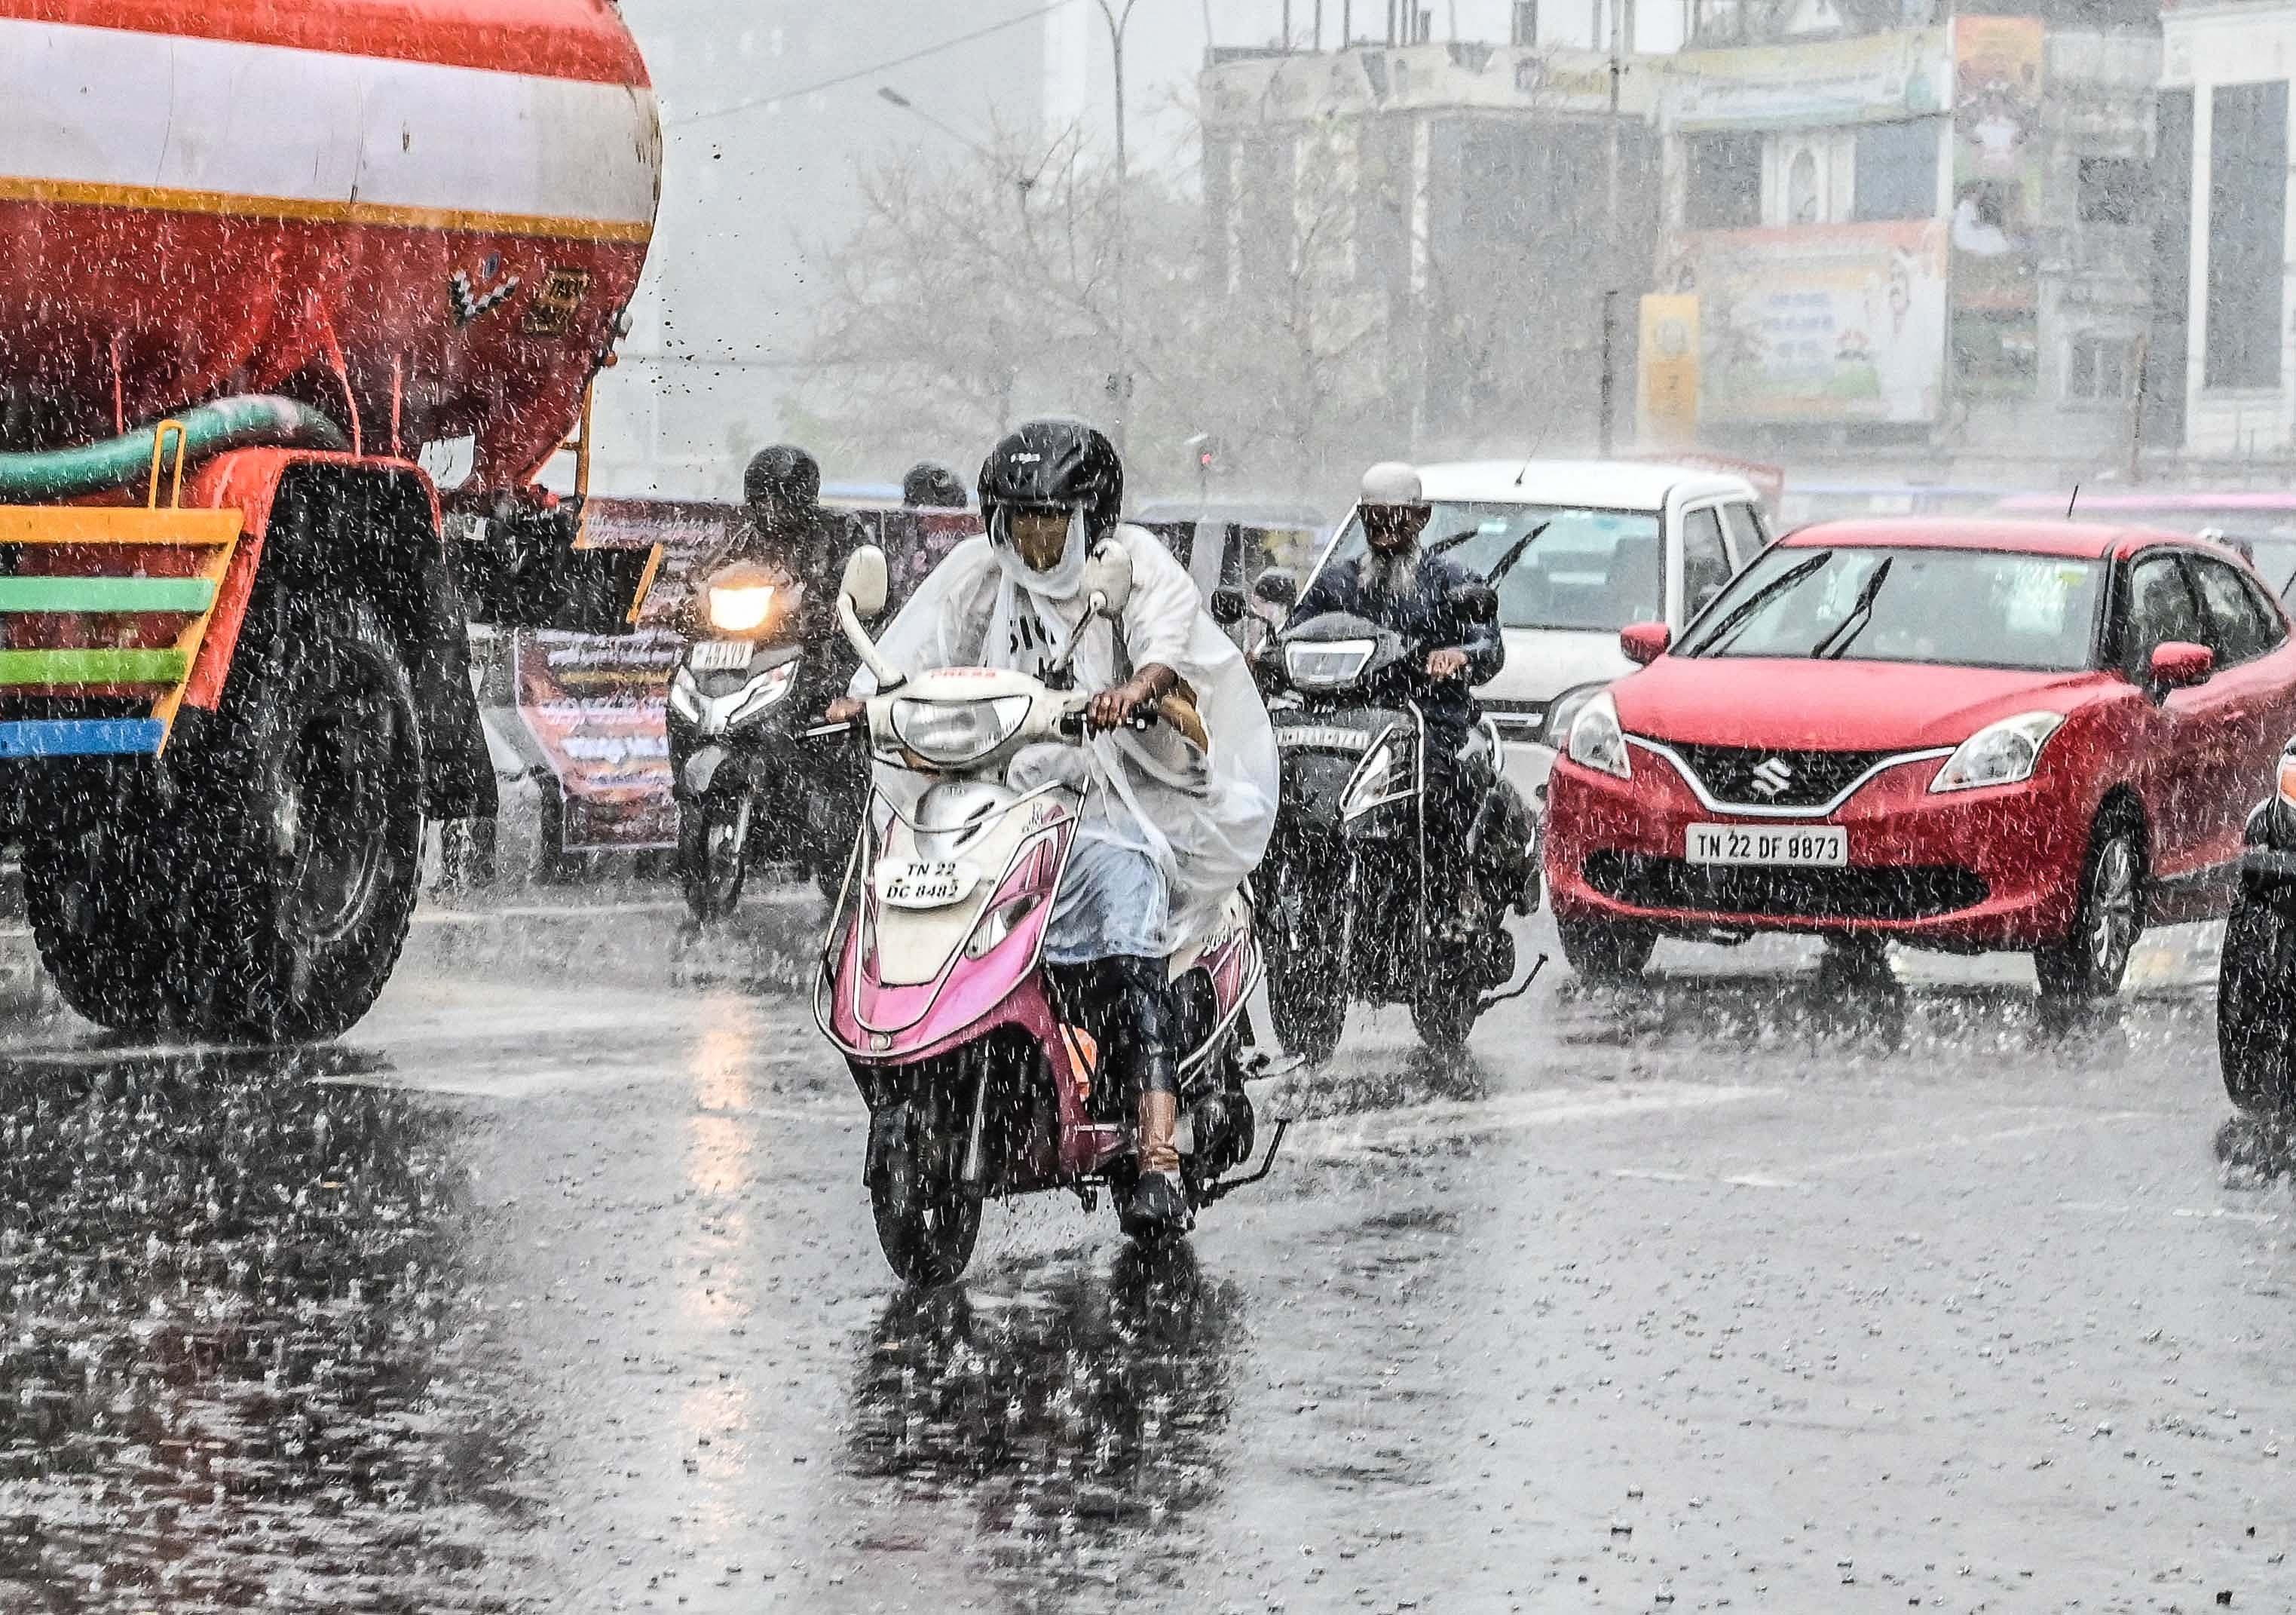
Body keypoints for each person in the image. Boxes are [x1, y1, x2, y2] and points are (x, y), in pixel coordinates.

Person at [827, 419, 1277, 1238]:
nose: (1032, 539)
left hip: (1119, 798)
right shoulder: (978, 573)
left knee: (1128, 910)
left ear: (1088, 518)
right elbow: (913, 650)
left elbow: (1163, 650)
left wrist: (1134, 691)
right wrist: (863, 699)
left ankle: (1156, 1149)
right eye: (1017, 520)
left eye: (1049, 520)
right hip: (1008, 799)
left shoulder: (1129, 566)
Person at [1291, 461, 1522, 936]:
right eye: (1374, 519)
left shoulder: (1450, 581)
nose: (1385, 530)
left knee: (1445, 792)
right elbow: (1293, 636)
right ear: (1361, 518)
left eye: (1396, 518)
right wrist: (1261, 658)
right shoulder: (1335, 585)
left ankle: (1450, 902)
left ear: (1421, 518)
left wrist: (1459, 654)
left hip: (1427, 722)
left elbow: (1488, 644)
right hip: (1344, 728)